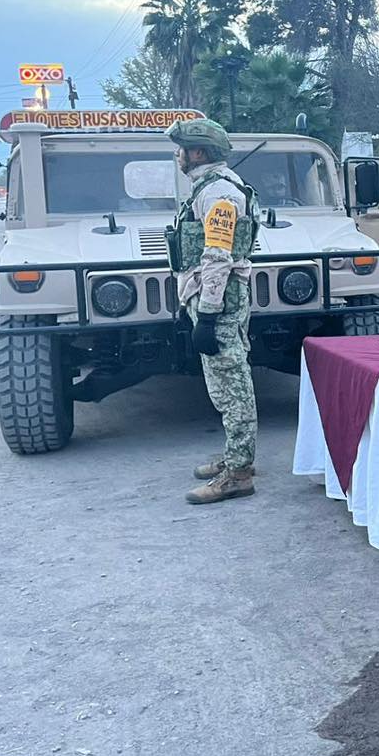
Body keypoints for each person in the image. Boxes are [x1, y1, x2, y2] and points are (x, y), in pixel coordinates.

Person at [166, 118, 260, 506]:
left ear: (198, 153)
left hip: (217, 300)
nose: (178, 156)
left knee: (231, 383)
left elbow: (218, 256)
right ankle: (235, 456)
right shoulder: (211, 189)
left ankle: (238, 472)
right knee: (225, 381)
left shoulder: (219, 195)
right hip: (215, 297)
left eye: (183, 149)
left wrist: (207, 315)